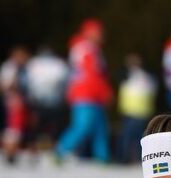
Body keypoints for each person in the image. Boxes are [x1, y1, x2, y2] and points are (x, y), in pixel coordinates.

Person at [55, 18, 114, 163]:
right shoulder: (85, 48)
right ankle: (60, 151)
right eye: (99, 33)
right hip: (84, 94)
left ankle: (103, 157)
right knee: (83, 125)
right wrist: (105, 91)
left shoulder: (92, 49)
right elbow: (92, 74)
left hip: (93, 94)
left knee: (100, 127)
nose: (101, 36)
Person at [26, 47, 69, 151]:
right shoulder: (59, 64)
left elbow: (28, 83)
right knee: (52, 128)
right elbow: (65, 82)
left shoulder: (34, 63)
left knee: (38, 127)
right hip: (52, 102)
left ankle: (36, 147)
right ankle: (53, 148)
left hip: (40, 102)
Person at [116, 53, 157, 163]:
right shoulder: (129, 75)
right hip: (134, 110)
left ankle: (128, 158)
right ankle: (129, 158)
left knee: (132, 136)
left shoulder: (139, 75)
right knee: (133, 136)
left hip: (135, 110)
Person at [0, 46, 31, 163]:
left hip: (18, 101)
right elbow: (2, 85)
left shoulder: (23, 68)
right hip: (12, 101)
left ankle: (12, 152)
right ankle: (9, 153)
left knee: (16, 129)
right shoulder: (10, 67)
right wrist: (13, 88)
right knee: (12, 129)